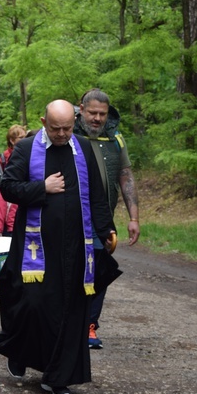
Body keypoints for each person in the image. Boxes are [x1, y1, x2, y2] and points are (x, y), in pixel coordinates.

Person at [0, 100, 115, 394]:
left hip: (75, 247)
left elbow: (97, 194)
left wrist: (106, 229)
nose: (62, 134)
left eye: (68, 128)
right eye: (55, 128)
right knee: (32, 305)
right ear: (43, 121)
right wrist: (41, 188)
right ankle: (19, 352)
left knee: (71, 310)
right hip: (35, 248)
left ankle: (56, 377)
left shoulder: (84, 148)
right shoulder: (25, 148)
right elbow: (7, 187)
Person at [74, 89, 140, 349]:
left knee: (99, 269)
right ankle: (68, 322)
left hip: (103, 219)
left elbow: (125, 175)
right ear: (81, 109)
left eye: (102, 114)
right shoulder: (69, 134)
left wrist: (134, 217)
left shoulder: (115, 138)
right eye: (92, 113)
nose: (97, 118)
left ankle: (90, 324)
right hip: (72, 216)